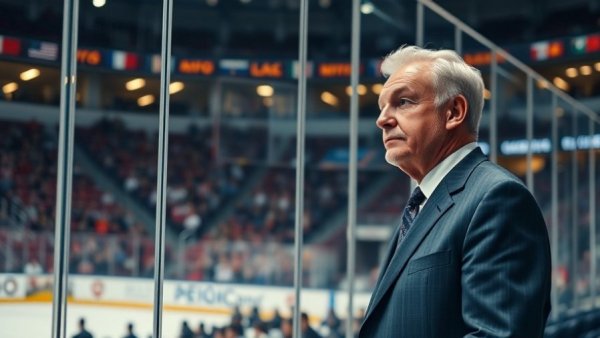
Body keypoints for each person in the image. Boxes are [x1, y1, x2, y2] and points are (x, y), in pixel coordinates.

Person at [359, 45, 551, 337]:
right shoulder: (423, 203)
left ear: (454, 112)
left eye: (404, 102)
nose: (382, 119)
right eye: (382, 107)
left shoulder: (497, 199)